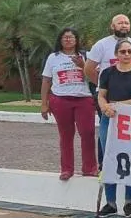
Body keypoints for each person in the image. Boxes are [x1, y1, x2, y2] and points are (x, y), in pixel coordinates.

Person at [96, 38, 131, 218]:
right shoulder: (107, 73)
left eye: (130, 52)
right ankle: (110, 203)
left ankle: (128, 202)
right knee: (109, 158)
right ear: (116, 54)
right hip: (109, 119)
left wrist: (118, 105)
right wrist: (105, 107)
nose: (126, 55)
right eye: (123, 52)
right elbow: (101, 95)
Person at [40, 28, 97, 180]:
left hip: (83, 99)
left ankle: (90, 168)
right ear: (60, 40)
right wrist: (44, 103)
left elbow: (95, 79)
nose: (68, 40)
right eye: (64, 37)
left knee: (88, 133)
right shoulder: (53, 57)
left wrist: (82, 65)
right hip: (60, 99)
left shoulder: (87, 56)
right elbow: (46, 80)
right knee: (65, 135)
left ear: (77, 40)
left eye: (71, 37)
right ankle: (66, 169)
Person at [84, 14, 131, 84]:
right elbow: (88, 69)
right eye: (120, 23)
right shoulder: (101, 44)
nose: (124, 26)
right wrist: (101, 84)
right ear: (112, 26)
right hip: (107, 92)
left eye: (127, 23)